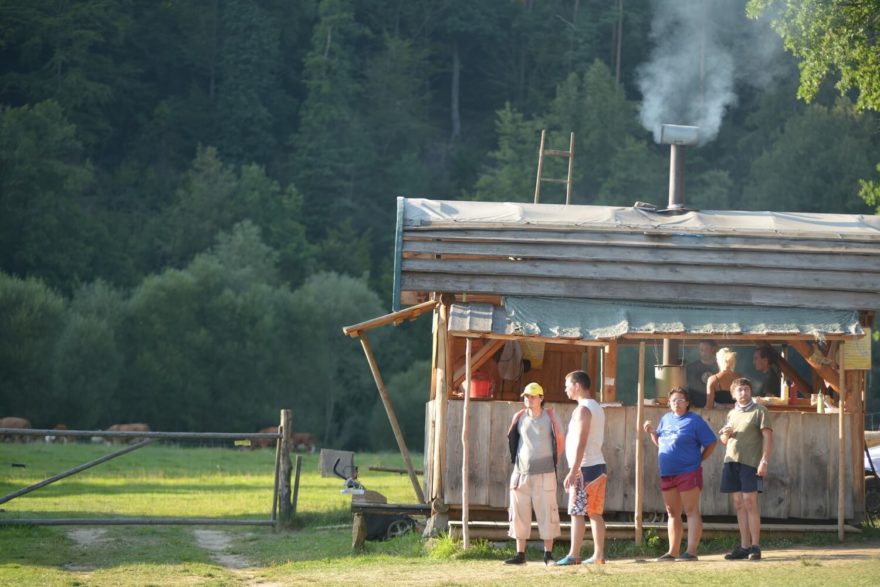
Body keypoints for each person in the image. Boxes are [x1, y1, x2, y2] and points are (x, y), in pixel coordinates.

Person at [643, 387, 717, 561]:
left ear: (687, 402)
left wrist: (699, 459)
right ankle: (672, 552)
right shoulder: (665, 419)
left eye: (680, 400)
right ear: (669, 403)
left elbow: (711, 442)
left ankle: (691, 552)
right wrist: (652, 433)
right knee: (672, 513)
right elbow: (661, 442)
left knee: (691, 510)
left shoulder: (694, 421)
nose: (676, 403)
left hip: (688, 471)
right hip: (667, 472)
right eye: (673, 400)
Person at [504, 382, 564, 565]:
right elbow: (513, 440)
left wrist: (552, 460)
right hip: (520, 473)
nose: (528, 399)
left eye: (532, 396)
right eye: (526, 396)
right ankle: (520, 555)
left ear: (541, 398)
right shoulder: (519, 417)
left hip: (545, 473)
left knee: (547, 513)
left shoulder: (550, 417)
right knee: (519, 513)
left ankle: (548, 555)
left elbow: (560, 440)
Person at [719, 377, 773, 561]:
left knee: (750, 502)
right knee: (738, 504)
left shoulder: (760, 411)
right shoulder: (731, 413)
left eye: (747, 389)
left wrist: (764, 460)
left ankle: (755, 547)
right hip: (731, 461)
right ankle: (744, 546)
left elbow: (768, 438)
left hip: (750, 462)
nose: (744, 393)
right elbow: (724, 440)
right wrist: (725, 435)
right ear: (733, 394)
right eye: (740, 390)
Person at [556, 370, 606, 565]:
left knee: (577, 512)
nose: (565, 389)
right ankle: (598, 555)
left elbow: (581, 441)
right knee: (594, 512)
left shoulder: (583, 409)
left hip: (585, 467)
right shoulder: (596, 407)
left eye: (567, 385)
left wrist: (573, 469)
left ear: (577, 386)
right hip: (596, 465)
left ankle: (574, 554)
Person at [686, 340, 718, 408]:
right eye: (701, 350)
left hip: (717, 407)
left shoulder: (720, 367)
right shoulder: (691, 368)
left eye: (706, 349)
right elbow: (687, 388)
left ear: (713, 349)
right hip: (695, 406)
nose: (703, 353)